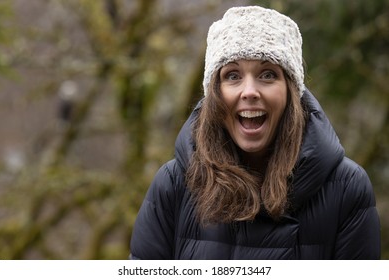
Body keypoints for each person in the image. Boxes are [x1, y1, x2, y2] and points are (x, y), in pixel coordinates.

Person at [129, 6, 381, 259]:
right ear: (215, 93)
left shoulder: (347, 188)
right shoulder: (173, 184)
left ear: (290, 92)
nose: (249, 91)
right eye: (232, 75)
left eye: (268, 74)